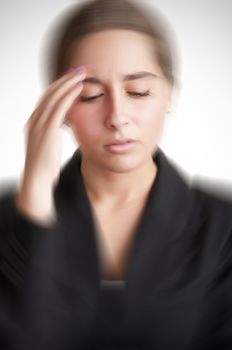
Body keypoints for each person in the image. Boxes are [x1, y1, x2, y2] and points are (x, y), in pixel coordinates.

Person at [0, 0, 232, 349]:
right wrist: (34, 198)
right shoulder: (8, 220)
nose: (117, 117)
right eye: (91, 95)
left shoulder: (222, 228)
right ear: (59, 108)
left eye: (138, 91)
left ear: (168, 93)